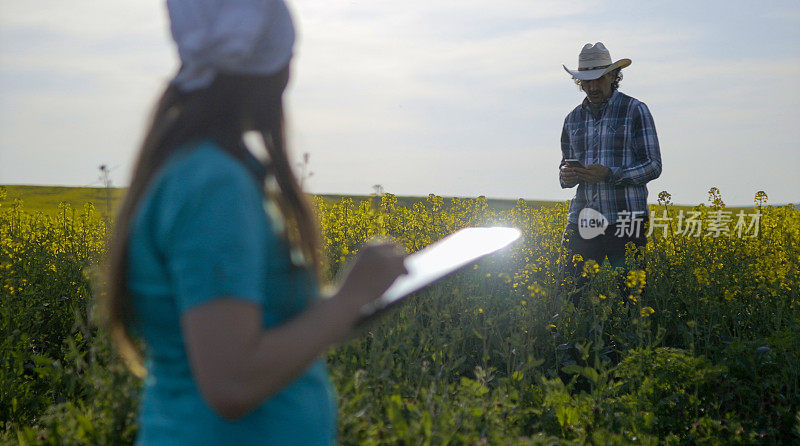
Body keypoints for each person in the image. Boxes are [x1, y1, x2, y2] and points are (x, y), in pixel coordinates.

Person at [101, 1, 407, 444]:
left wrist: (347, 303)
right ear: (272, 68)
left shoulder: (196, 168)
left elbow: (247, 329)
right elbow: (232, 382)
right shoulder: (214, 187)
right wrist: (350, 298)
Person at [558, 42, 662, 287]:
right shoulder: (572, 119)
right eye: (586, 81)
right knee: (570, 294)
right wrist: (567, 175)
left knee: (629, 297)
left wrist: (610, 174)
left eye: (599, 79)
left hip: (625, 221)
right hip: (583, 219)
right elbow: (564, 166)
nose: (592, 87)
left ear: (614, 76)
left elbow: (653, 164)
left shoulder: (635, 110)